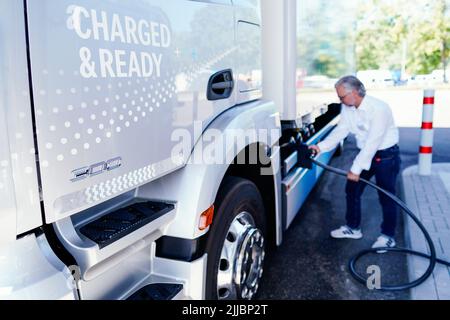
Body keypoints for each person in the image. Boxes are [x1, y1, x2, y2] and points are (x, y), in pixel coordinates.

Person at [309, 75, 401, 251]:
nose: (340, 100)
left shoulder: (379, 109)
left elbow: (373, 142)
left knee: (387, 197)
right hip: (366, 154)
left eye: (341, 96)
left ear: (354, 93)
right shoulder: (348, 107)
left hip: (385, 156)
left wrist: (356, 169)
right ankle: (353, 228)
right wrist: (320, 147)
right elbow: (341, 130)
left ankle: (388, 237)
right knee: (352, 189)